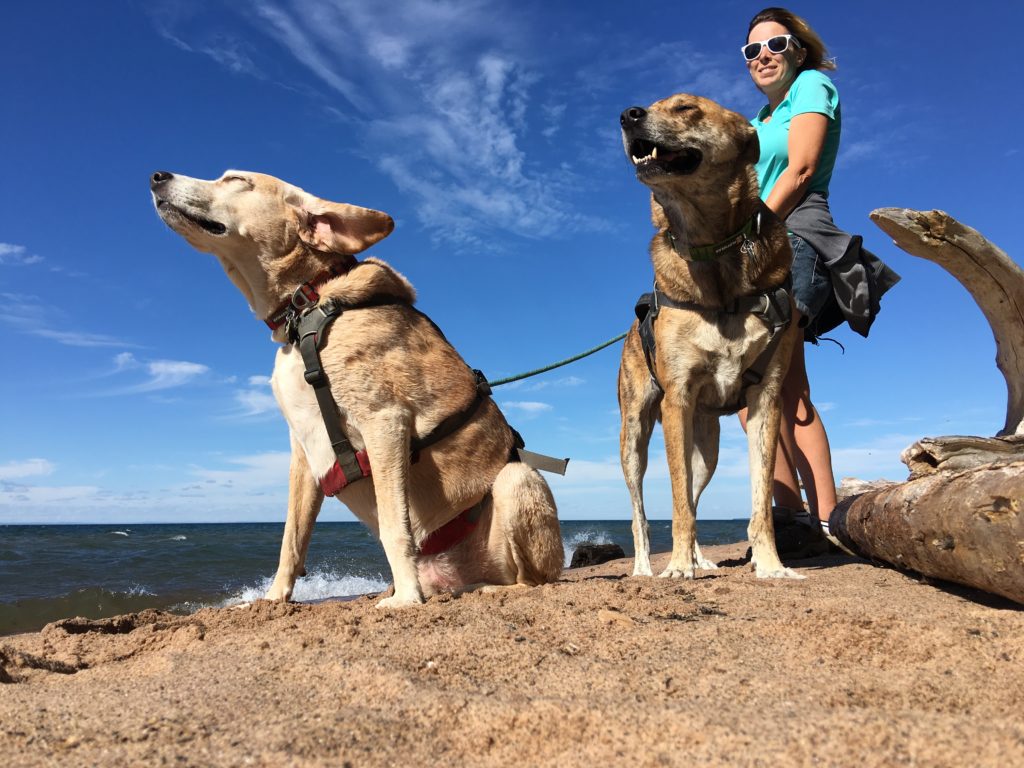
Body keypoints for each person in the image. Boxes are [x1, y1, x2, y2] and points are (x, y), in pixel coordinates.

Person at [738, 7, 900, 553]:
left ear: (798, 50)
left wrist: (750, 228)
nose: (762, 55)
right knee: (749, 390)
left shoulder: (812, 85)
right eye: (752, 50)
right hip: (752, 249)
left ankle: (828, 520)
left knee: (782, 385)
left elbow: (801, 169)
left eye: (774, 44)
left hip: (795, 236)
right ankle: (790, 517)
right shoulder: (758, 122)